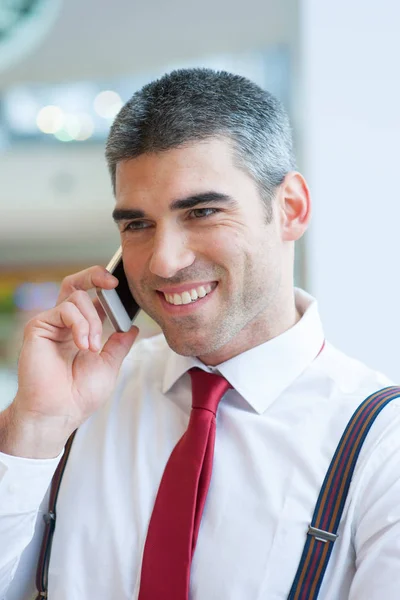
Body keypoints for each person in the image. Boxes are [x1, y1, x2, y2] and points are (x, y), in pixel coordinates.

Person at [0, 68, 399, 600]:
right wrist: (34, 427)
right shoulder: (76, 406)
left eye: (203, 211)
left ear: (291, 209)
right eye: (137, 225)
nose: (164, 262)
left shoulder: (382, 447)